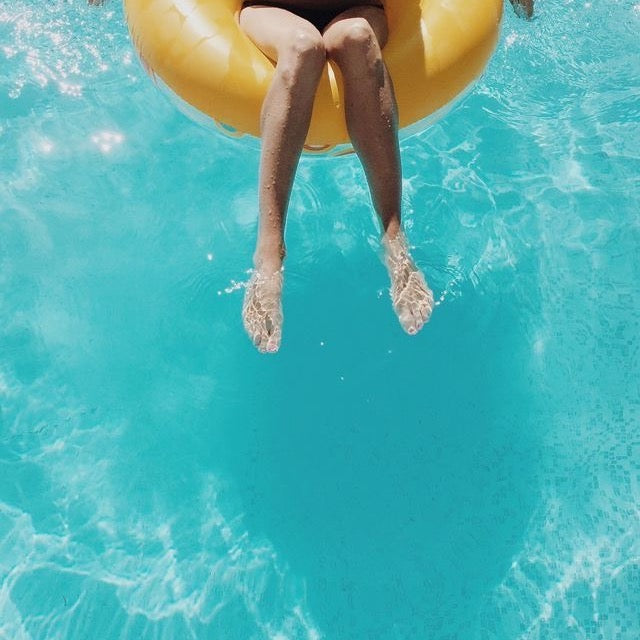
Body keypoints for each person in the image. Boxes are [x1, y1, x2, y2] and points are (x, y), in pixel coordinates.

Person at [90, 0, 534, 352]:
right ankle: (269, 252)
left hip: (359, 10)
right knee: (302, 47)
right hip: (273, 10)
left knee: (356, 38)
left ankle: (395, 238)